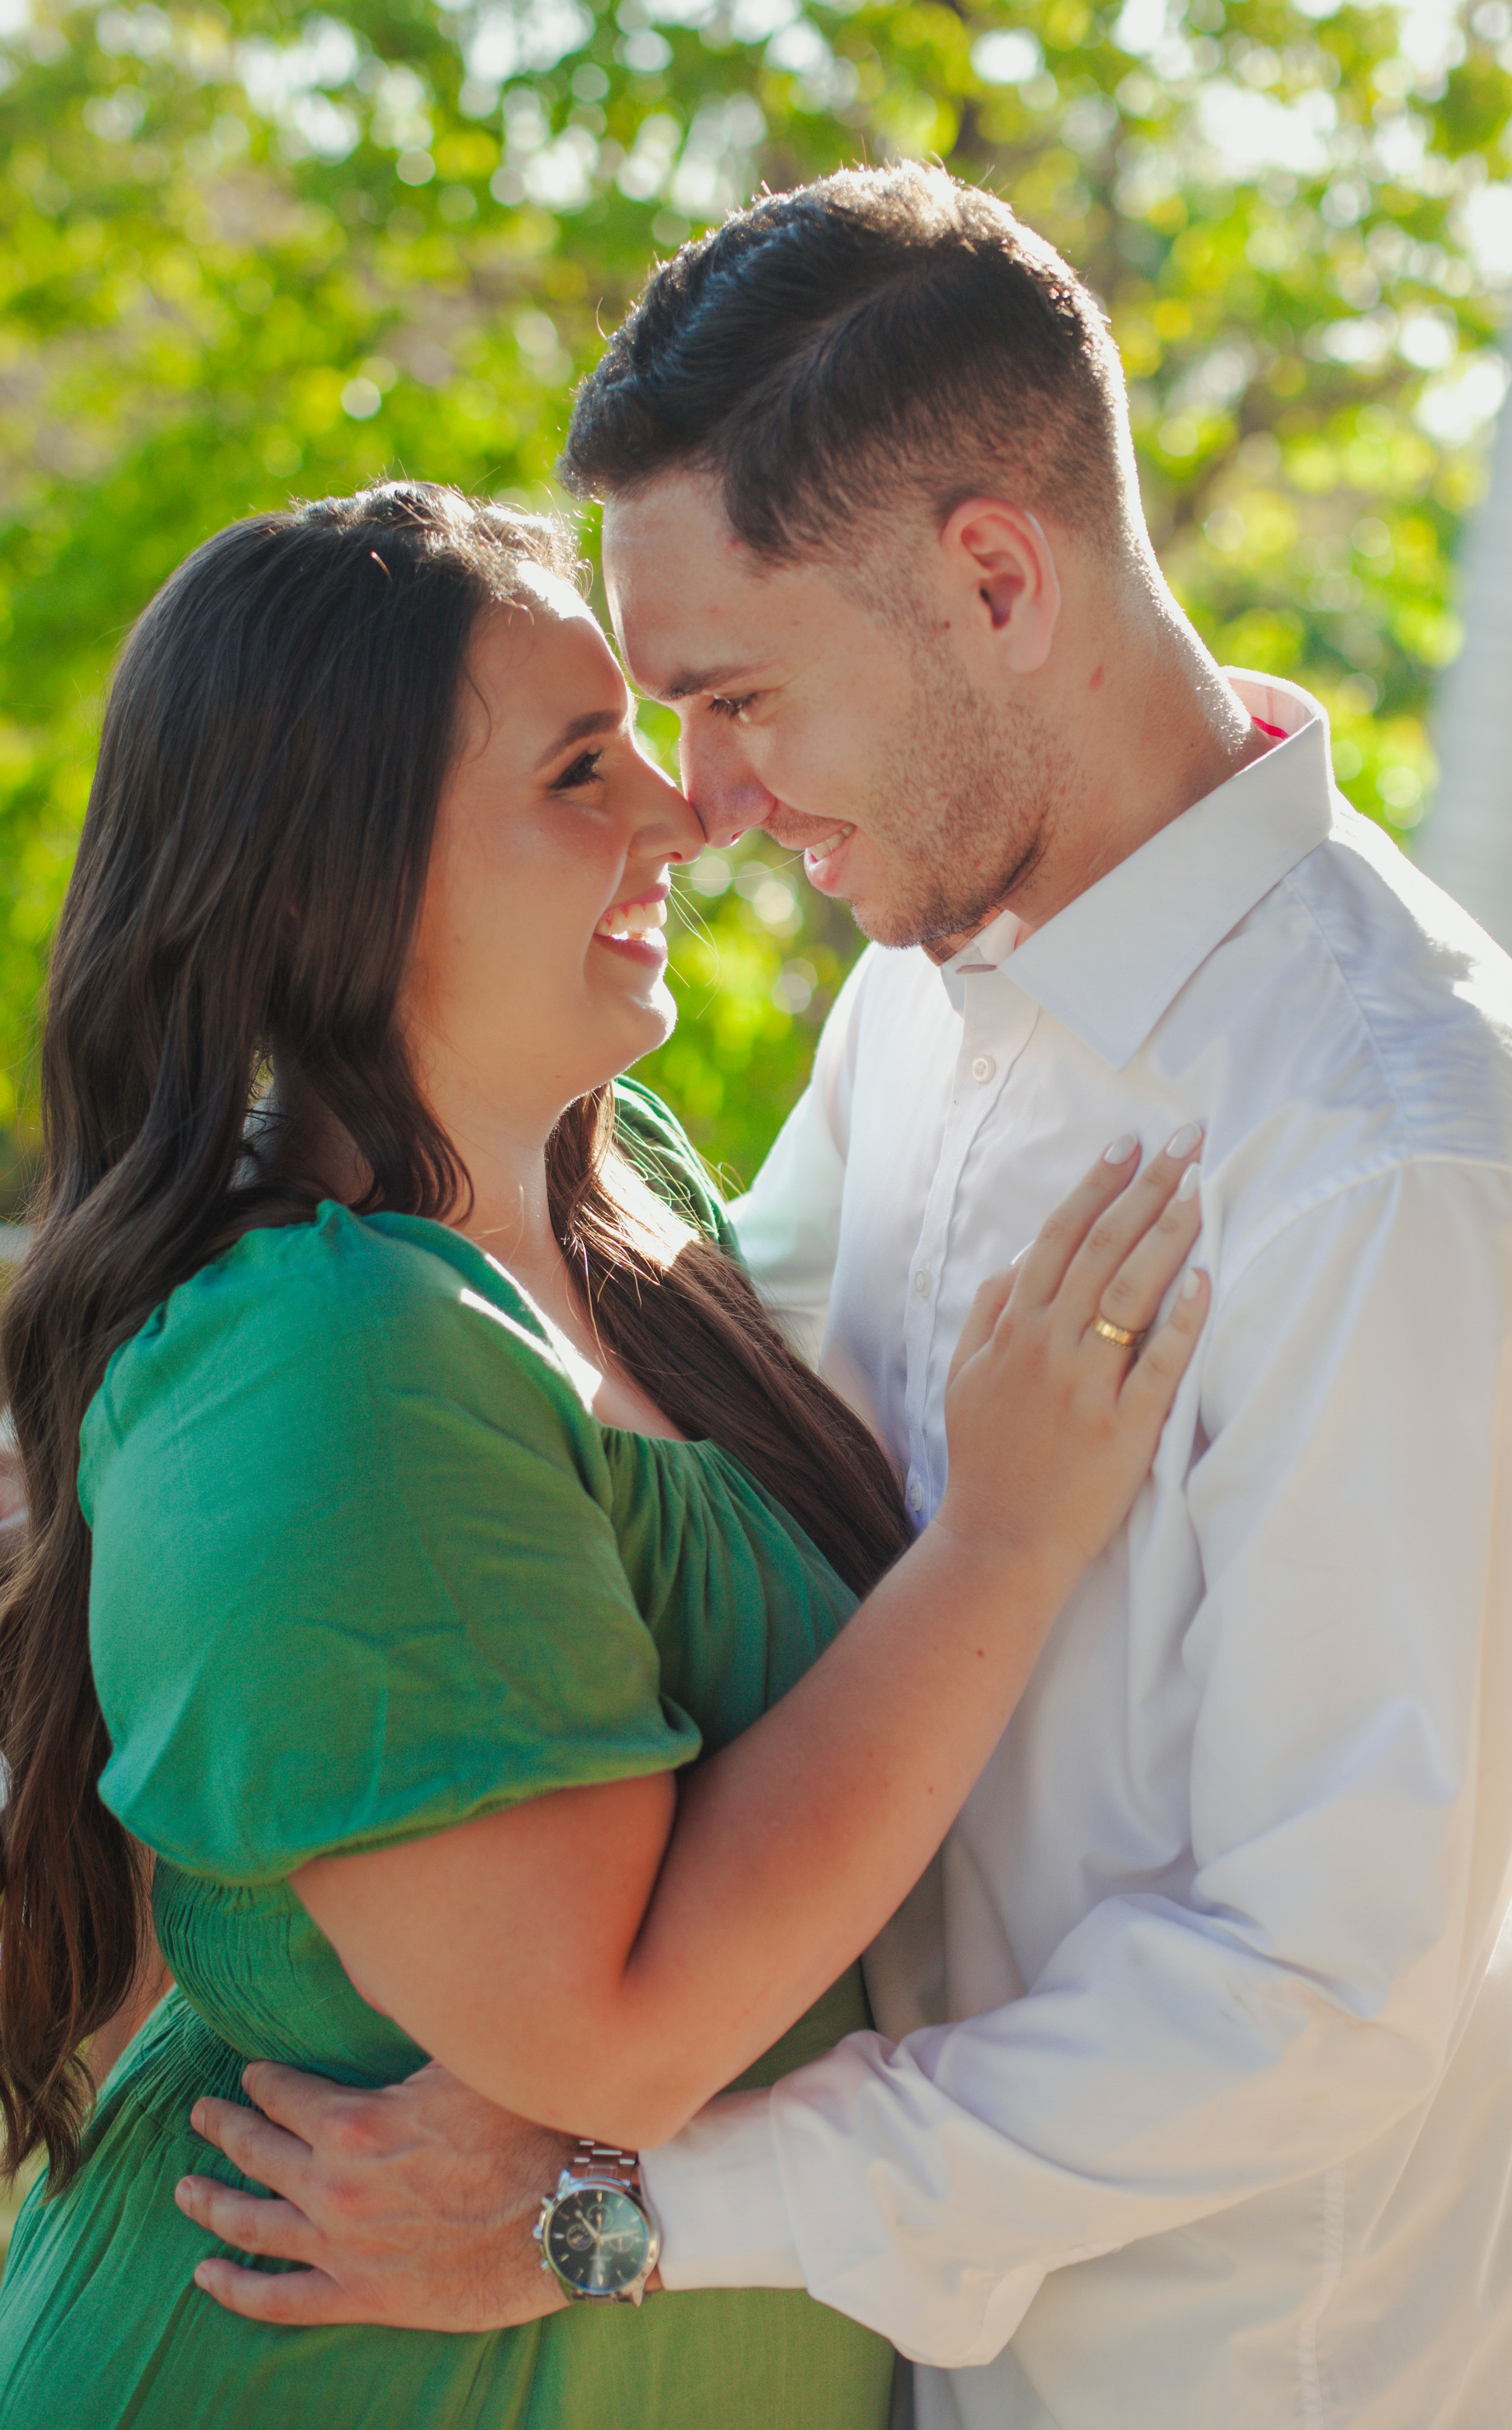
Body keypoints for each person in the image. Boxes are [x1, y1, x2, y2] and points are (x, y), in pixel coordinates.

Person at [185, 168, 1512, 2428]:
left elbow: (1312, 1991)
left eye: (739, 700)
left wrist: (626, 2199)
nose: (712, 802)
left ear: (993, 578)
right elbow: (675, 1493)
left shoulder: (1409, 1158)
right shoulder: (929, 1002)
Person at [0, 478, 1210, 2429]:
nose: (681, 811)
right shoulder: (325, 1354)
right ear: (339, 863)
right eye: (583, 771)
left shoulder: (624, 1217)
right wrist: (1000, 1541)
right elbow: (615, 2039)